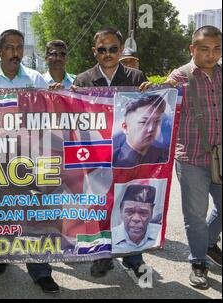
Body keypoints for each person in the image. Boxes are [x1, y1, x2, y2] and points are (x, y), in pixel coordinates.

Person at [0, 29, 59, 294]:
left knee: (35, 217)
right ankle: (1, 256)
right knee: (1, 214)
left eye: (19, 47)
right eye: (9, 47)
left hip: (30, 160)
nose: (15, 53)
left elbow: (50, 118)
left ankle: (41, 271)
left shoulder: (36, 81)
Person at [73, 27, 148, 278]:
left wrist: (155, 91)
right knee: (100, 208)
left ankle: (133, 256)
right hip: (95, 155)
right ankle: (102, 257)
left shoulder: (137, 78)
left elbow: (148, 109)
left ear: (120, 50)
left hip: (128, 157)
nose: (107, 54)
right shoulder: (82, 81)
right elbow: (73, 117)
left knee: (131, 202)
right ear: (94, 51)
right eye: (102, 49)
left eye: (113, 48)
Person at [165, 25, 222, 289]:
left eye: (217, 49)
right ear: (192, 49)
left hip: (221, 156)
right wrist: (151, 91)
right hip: (191, 158)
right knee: (195, 215)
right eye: (205, 49)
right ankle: (198, 262)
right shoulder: (180, 77)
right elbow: (157, 105)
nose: (212, 55)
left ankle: (209, 243)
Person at [113, 94, 169, 167]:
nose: (151, 128)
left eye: (157, 121)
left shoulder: (165, 156)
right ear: (125, 127)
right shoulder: (112, 159)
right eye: (143, 122)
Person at [112, 184, 162, 254]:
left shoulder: (158, 233)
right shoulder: (110, 237)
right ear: (121, 211)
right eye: (129, 212)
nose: (136, 219)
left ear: (151, 212)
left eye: (143, 213)